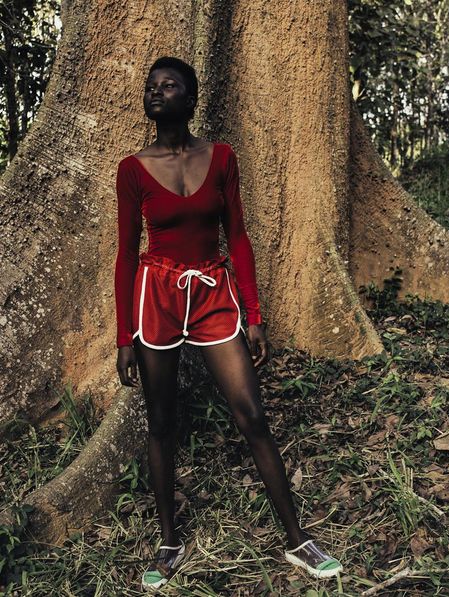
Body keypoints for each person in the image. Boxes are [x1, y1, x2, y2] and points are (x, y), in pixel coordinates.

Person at [114, 56, 343, 590]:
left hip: (214, 293)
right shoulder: (132, 169)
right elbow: (126, 254)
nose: (156, 92)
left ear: (191, 99)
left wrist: (253, 314)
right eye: (151, 86)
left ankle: (297, 540)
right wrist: (125, 336)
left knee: (251, 413)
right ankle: (169, 542)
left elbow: (237, 236)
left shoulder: (220, 158)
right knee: (160, 422)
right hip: (157, 297)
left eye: (169, 85)